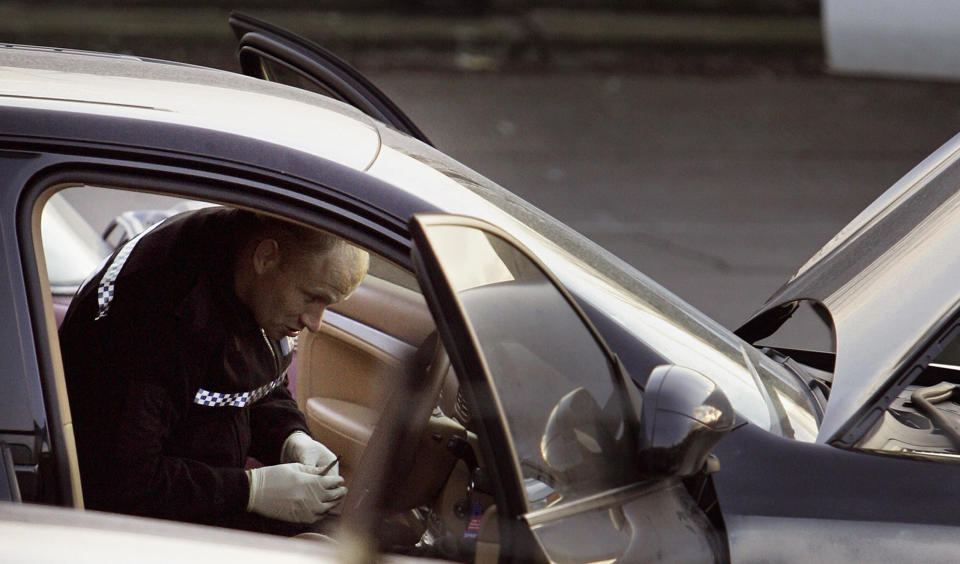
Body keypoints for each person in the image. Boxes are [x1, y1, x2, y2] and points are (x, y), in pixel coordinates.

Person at [58, 205, 369, 535]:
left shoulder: (247, 279)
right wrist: (251, 490)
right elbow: (126, 484)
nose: (315, 322)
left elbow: (250, 381)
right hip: (138, 532)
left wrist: (291, 437)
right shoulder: (152, 319)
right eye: (311, 297)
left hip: (204, 504)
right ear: (266, 257)